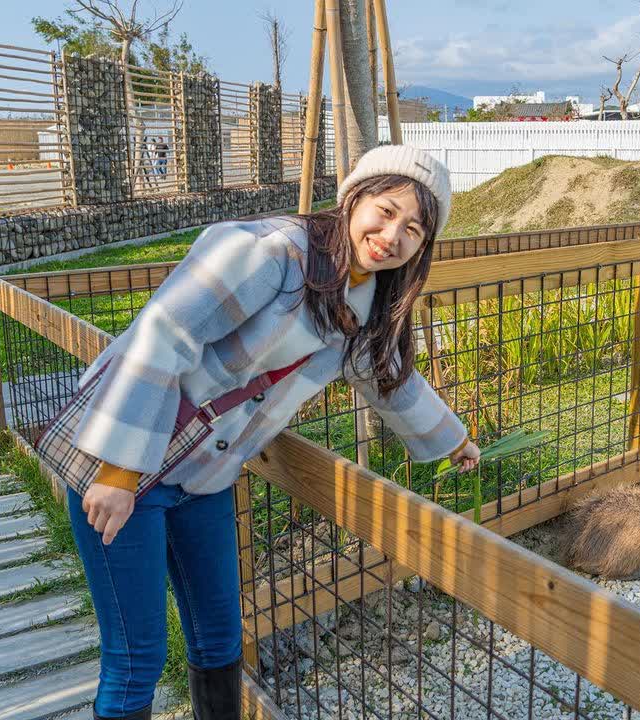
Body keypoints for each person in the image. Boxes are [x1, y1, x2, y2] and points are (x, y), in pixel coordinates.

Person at [65, 145, 481, 720]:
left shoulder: (363, 299)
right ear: (354, 197)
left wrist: (452, 438)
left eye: (413, 229)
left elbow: (386, 379)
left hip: (203, 477)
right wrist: (119, 469)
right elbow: (164, 334)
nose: (392, 235)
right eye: (385, 211)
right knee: (137, 658)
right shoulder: (269, 253)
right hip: (127, 466)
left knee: (220, 642)